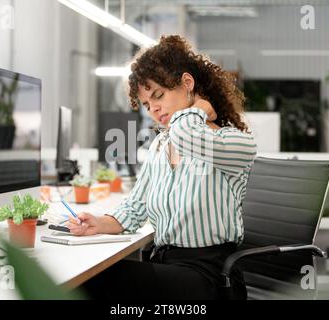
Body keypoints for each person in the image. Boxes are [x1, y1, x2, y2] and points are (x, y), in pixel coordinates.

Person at [66, 35, 257, 300]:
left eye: (159, 95)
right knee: (87, 275)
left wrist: (198, 108)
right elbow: (135, 209)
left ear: (187, 83)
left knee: (94, 283)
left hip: (210, 277)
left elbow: (187, 135)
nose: (154, 109)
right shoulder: (159, 147)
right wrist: (98, 223)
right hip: (166, 268)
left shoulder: (234, 142)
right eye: (146, 104)